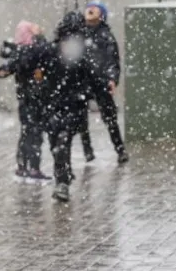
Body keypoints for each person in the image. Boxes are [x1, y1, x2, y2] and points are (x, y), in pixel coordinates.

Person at [8, 11, 107, 202]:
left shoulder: (66, 53)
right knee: (60, 143)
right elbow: (34, 69)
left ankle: (62, 180)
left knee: (60, 143)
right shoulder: (55, 52)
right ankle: (63, 176)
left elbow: (92, 78)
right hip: (60, 105)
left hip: (62, 105)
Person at [0, 20, 53, 183]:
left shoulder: (19, 51)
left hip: (25, 98)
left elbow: (6, 69)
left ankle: (22, 166)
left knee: (27, 132)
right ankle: (33, 168)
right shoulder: (35, 49)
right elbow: (46, 53)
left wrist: (3, 70)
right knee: (35, 133)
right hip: (37, 98)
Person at [81, 1, 129, 164]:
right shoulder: (79, 33)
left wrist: (111, 79)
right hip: (81, 81)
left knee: (110, 118)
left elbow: (112, 60)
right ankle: (87, 150)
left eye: (95, 8)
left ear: (101, 15)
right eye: (89, 7)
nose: (90, 9)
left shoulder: (105, 36)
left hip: (100, 81)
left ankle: (120, 149)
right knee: (80, 117)